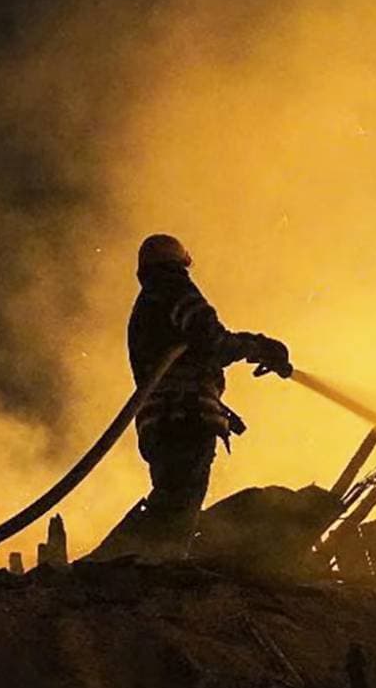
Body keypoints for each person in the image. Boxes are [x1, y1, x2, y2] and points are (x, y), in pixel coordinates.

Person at [123, 233, 291, 557]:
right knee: (180, 503)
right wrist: (259, 345)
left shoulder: (146, 308)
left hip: (157, 423)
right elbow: (212, 341)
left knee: (170, 495)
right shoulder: (175, 289)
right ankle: (160, 569)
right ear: (179, 262)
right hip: (185, 416)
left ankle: (148, 564)